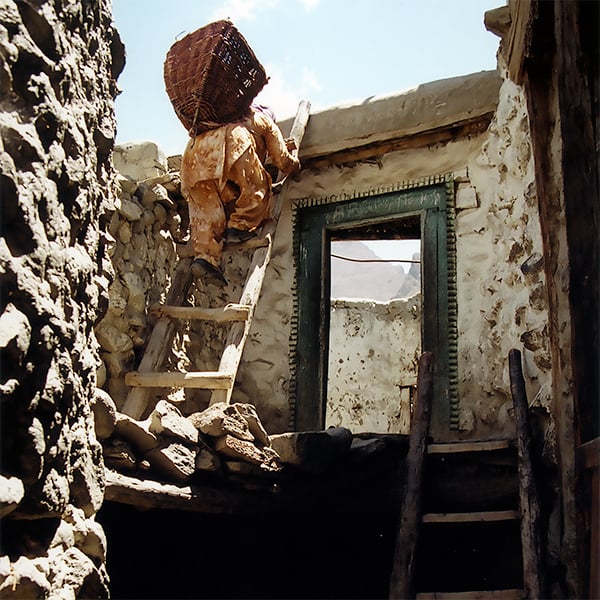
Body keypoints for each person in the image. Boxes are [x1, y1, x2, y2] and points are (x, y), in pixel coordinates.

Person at [179, 104, 300, 287]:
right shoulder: (263, 120)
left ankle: (205, 258)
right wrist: (295, 165)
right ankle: (239, 226)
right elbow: (281, 159)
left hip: (193, 158)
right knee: (258, 187)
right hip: (233, 145)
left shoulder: (216, 120)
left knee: (207, 210)